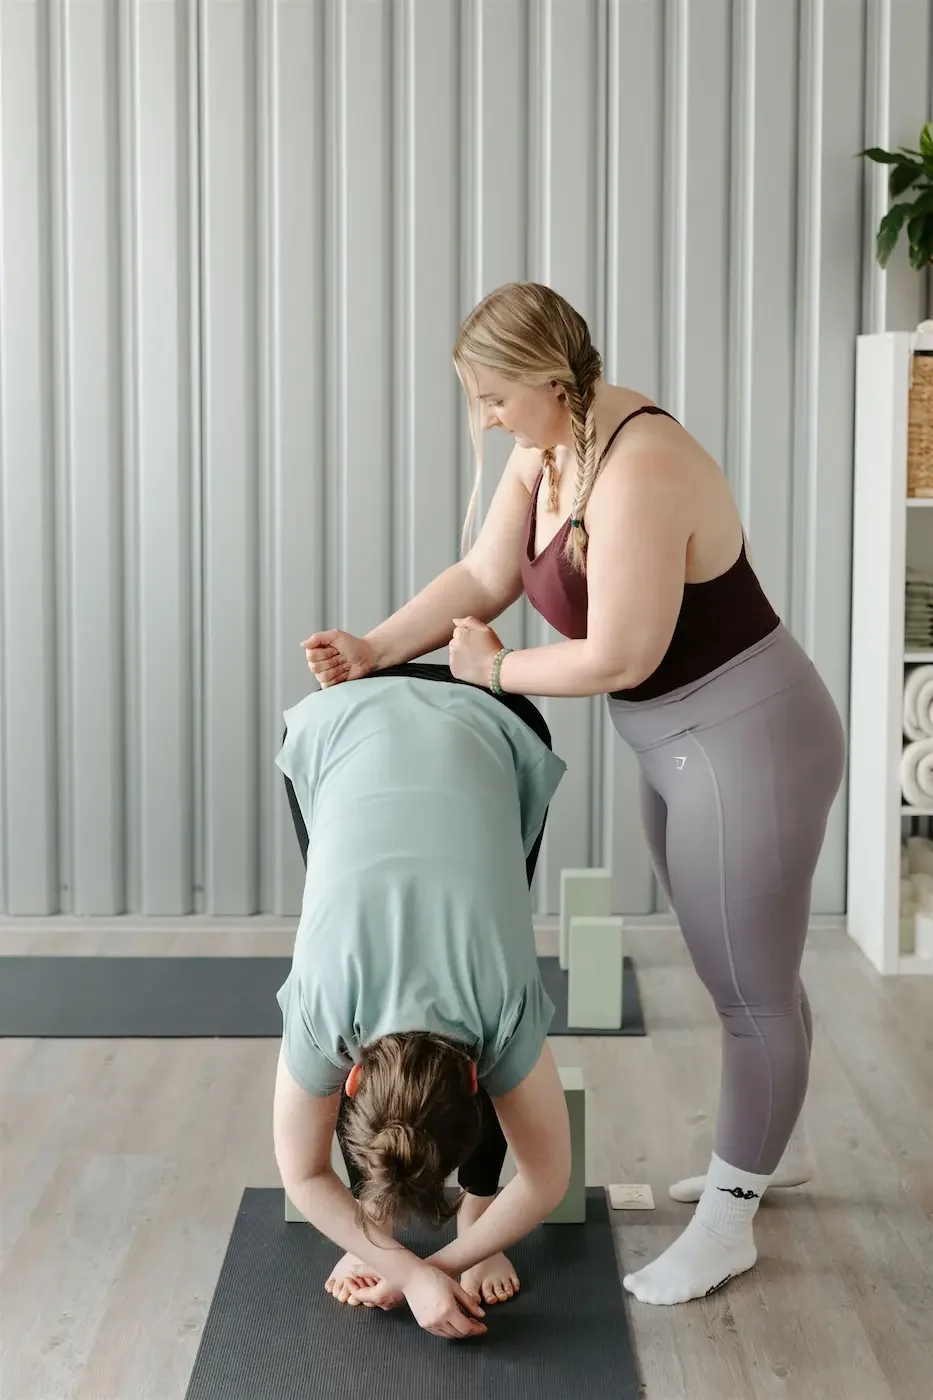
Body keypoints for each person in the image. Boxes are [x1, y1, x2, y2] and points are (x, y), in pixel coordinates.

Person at [301, 281, 847, 1307]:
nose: (486, 418)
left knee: (748, 989)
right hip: (678, 743)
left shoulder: (639, 468)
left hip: (751, 739)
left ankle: (729, 1221)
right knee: (740, 968)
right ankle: (763, 1152)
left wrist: (494, 673)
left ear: (552, 382)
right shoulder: (548, 446)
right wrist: (377, 645)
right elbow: (482, 573)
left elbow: (621, 650)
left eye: (495, 398)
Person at [272, 661, 570, 1341]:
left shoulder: (496, 1002)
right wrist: (410, 1270)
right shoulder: (327, 1003)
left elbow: (545, 1180)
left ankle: (478, 1208)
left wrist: (433, 1264)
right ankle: (373, 1223)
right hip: (338, 724)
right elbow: (307, 1173)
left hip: (492, 720)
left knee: (492, 884)